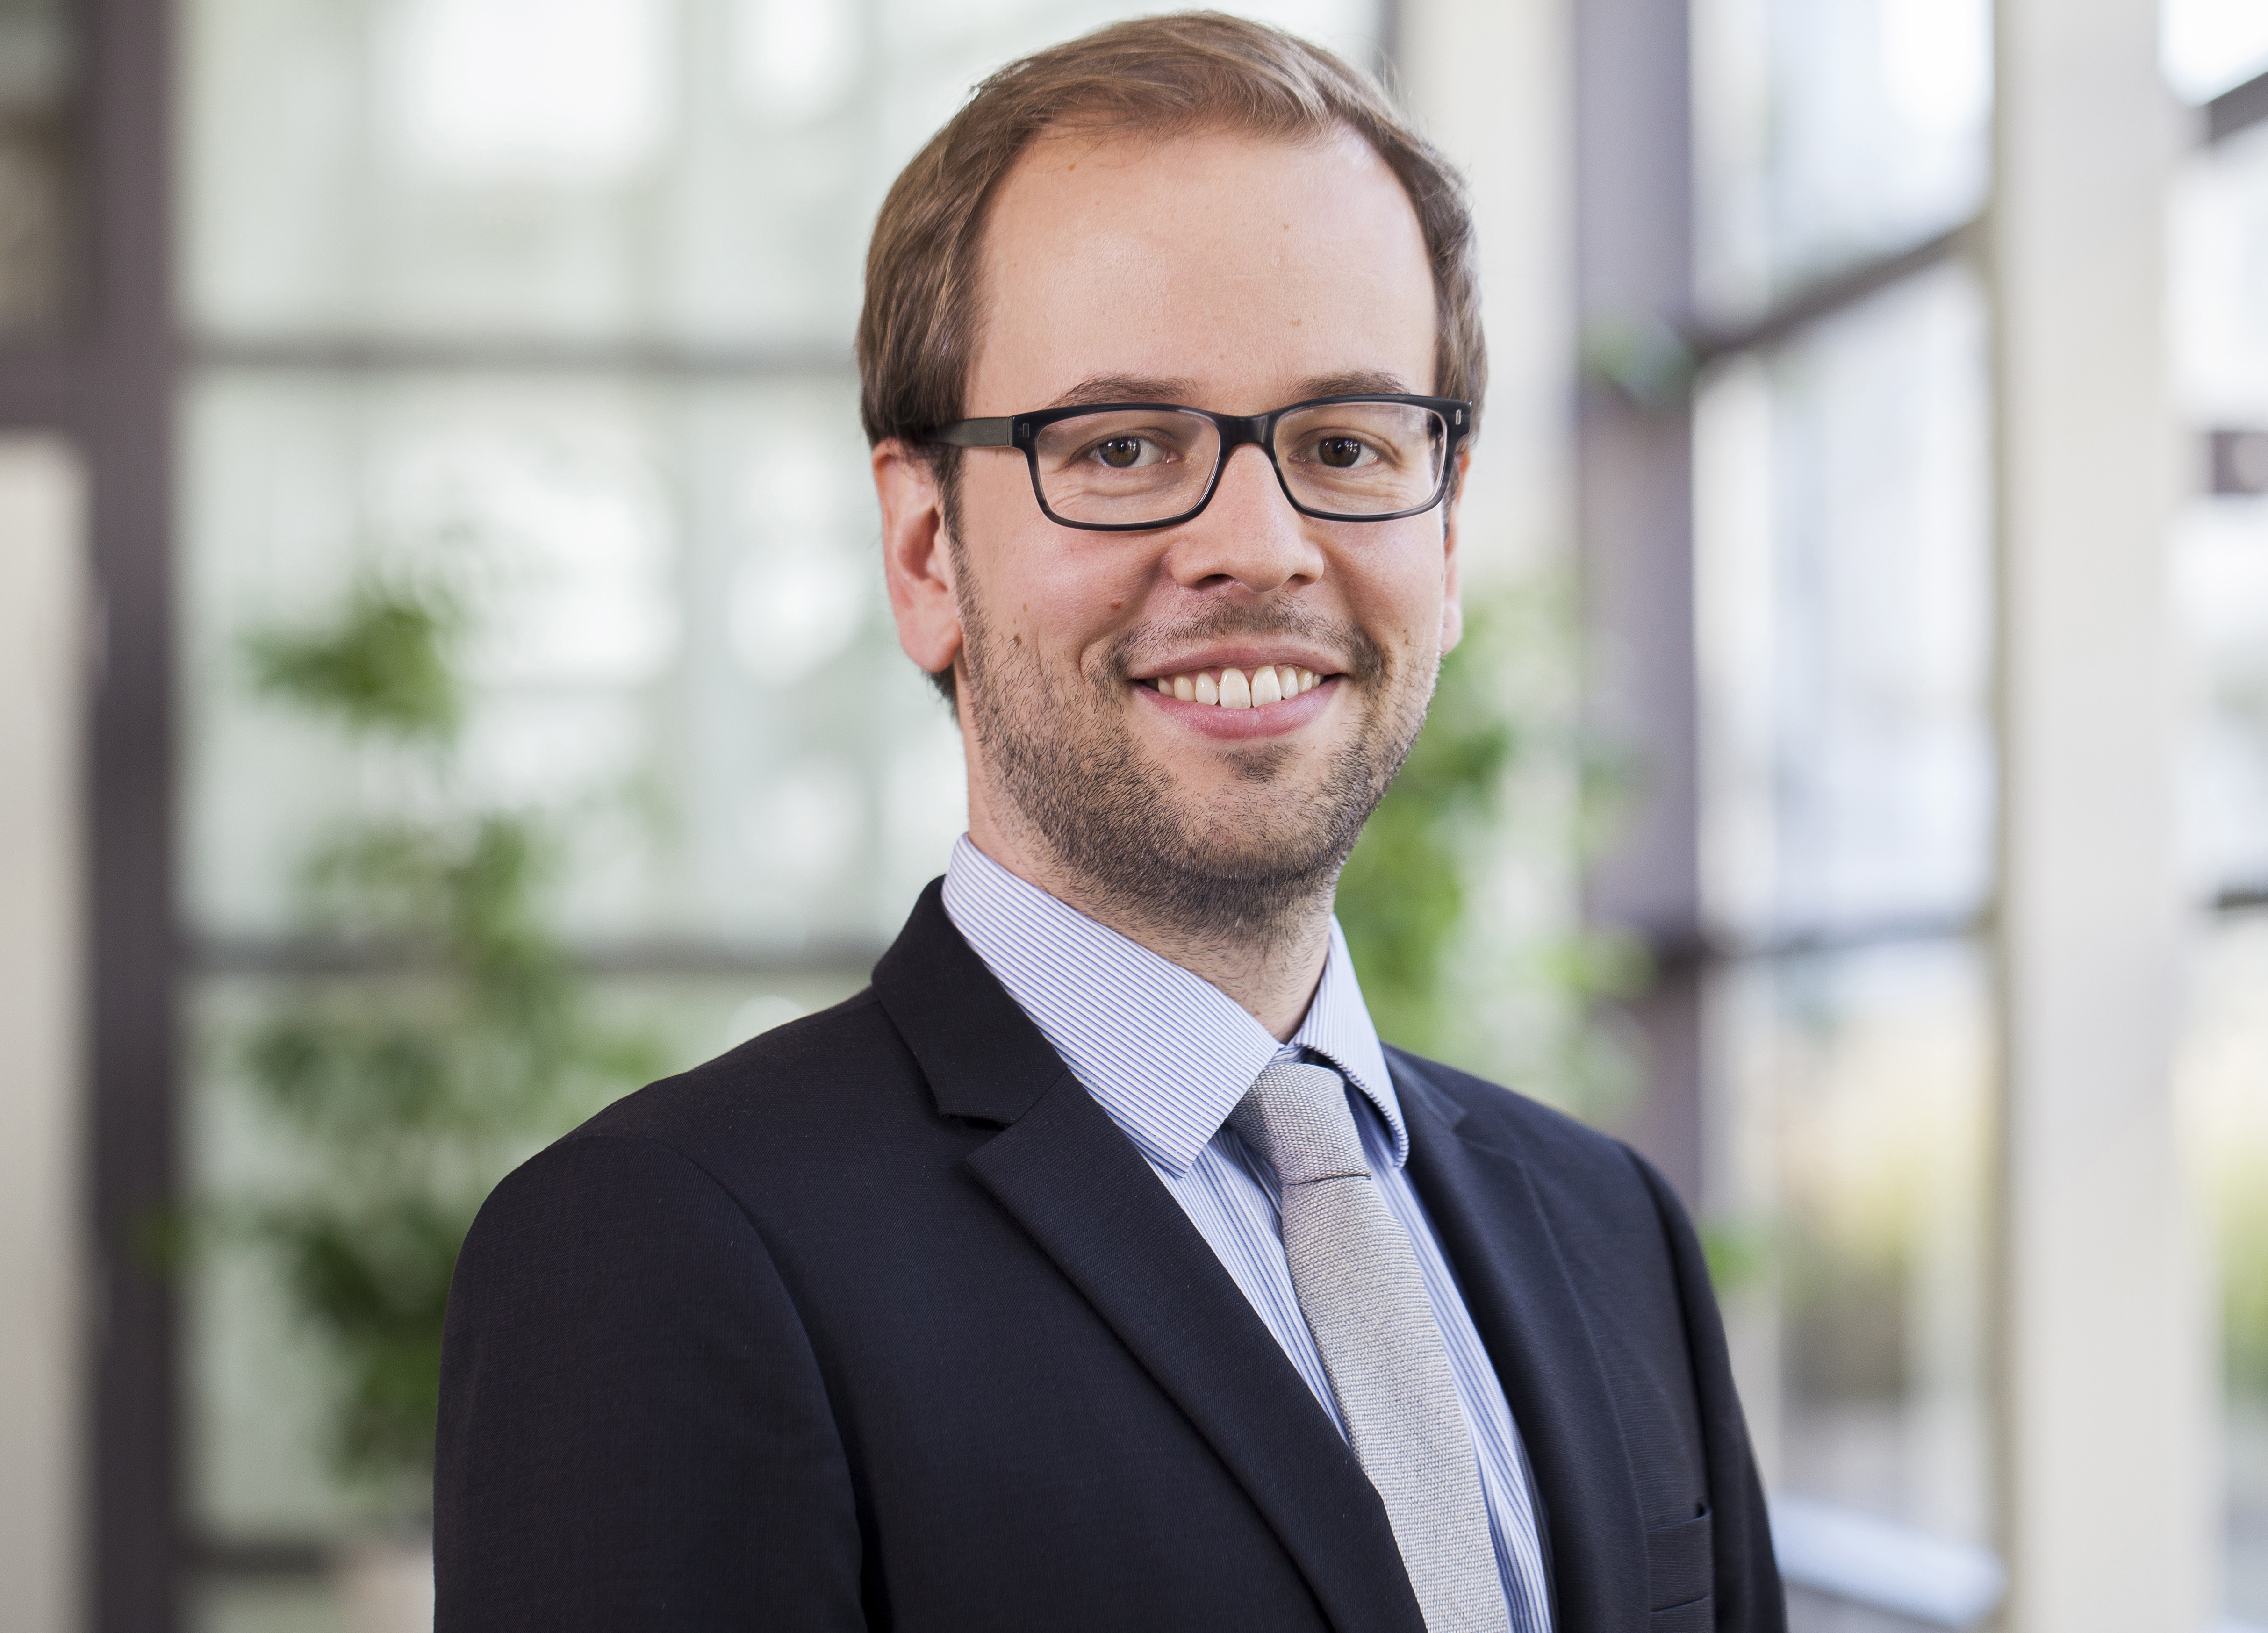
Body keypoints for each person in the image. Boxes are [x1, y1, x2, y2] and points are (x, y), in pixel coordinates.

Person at [432, 14, 1782, 1632]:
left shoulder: (1609, 1226)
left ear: (1447, 532)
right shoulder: (661, 1258)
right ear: (927, 547)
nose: (1259, 545)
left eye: (1346, 442)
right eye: (1126, 447)